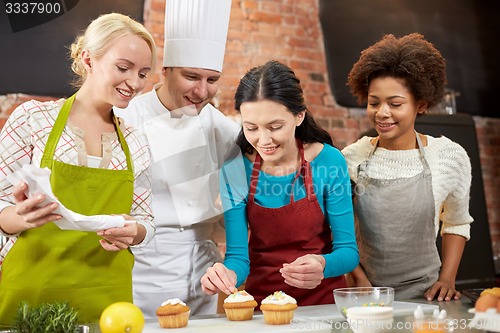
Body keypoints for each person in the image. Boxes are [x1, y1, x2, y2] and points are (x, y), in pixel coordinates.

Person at [0, 13, 156, 324]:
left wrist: (134, 232)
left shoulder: (136, 141)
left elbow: (145, 221)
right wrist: (20, 217)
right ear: (88, 59)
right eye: (123, 68)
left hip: (109, 305)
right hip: (31, 302)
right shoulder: (33, 120)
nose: (134, 83)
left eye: (143, 73)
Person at [114, 0, 239, 318]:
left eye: (212, 80)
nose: (202, 91)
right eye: (191, 77)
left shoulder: (222, 127)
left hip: (201, 277)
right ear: (166, 70)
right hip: (136, 272)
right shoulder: (125, 118)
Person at [200, 60, 359, 306]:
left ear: (299, 116)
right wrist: (226, 275)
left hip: (323, 304)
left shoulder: (329, 161)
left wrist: (323, 265)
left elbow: (348, 252)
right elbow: (238, 258)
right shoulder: (235, 170)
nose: (263, 140)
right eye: (251, 128)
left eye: (275, 127)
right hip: (264, 306)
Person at [341, 33, 473, 302]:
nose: (382, 113)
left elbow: (457, 222)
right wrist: (358, 278)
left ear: (420, 104)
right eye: (374, 102)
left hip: (427, 296)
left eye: (395, 103)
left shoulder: (449, 156)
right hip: (365, 294)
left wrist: (447, 279)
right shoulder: (351, 158)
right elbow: (333, 227)